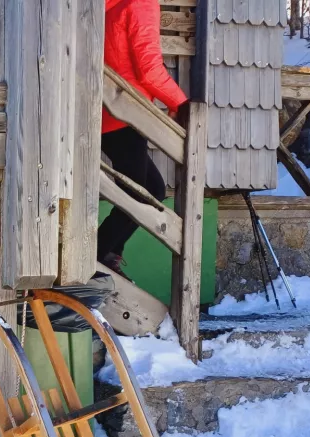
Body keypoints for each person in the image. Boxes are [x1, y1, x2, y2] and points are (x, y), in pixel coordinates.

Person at [99, 0, 190, 274]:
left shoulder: (104, 8)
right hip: (128, 112)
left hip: (104, 112)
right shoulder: (141, 3)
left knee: (152, 189)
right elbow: (148, 69)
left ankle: (109, 253)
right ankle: (95, 254)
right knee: (139, 193)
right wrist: (181, 105)